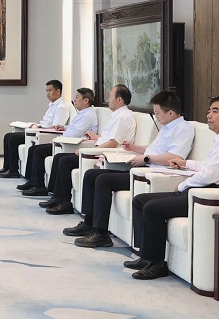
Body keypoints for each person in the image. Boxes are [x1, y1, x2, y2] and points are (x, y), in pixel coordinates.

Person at [128, 95, 219, 280]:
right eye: (209, 110)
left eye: (215, 111)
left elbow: (209, 175)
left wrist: (182, 185)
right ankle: (146, 256)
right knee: (140, 201)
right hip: (207, 188)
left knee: (152, 208)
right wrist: (186, 163)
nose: (209, 115)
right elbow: (209, 166)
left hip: (216, 194)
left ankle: (156, 264)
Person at [66, 91, 194, 248]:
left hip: (154, 173)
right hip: (145, 167)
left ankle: (101, 233)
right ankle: (89, 222)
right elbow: (154, 149)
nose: (156, 117)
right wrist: (135, 148)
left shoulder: (183, 129)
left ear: (171, 113)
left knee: (103, 180)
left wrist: (146, 159)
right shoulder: (167, 127)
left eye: (157, 113)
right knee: (92, 175)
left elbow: (175, 157)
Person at [38, 84, 137, 215]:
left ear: (119, 100)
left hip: (106, 154)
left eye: (110, 96)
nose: (108, 99)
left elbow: (113, 143)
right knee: (59, 158)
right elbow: (109, 137)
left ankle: (65, 202)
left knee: (65, 161)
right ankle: (57, 198)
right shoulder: (117, 115)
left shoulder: (123, 117)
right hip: (98, 149)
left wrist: (90, 151)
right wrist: (97, 137)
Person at [18, 87, 98, 194]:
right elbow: (74, 128)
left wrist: (57, 140)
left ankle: (38, 186)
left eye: (77, 97)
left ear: (86, 100)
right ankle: (32, 182)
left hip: (72, 145)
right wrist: (64, 128)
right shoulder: (83, 113)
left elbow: (74, 134)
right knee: (33, 149)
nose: (74, 100)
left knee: (38, 151)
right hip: (66, 141)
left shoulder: (88, 115)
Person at [0, 80, 71, 179]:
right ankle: (7, 167)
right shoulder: (52, 105)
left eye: (50, 90)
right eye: (46, 91)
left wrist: (39, 128)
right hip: (39, 129)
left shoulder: (62, 107)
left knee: (13, 138)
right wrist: (36, 125)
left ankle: (13, 170)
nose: (47, 93)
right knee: (8, 136)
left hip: (44, 134)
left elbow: (56, 127)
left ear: (58, 91)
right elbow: (46, 123)